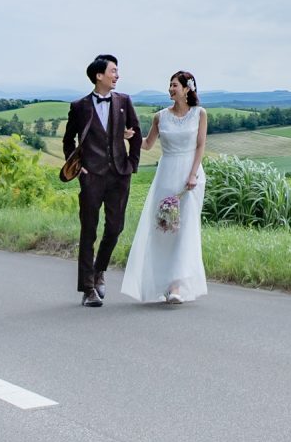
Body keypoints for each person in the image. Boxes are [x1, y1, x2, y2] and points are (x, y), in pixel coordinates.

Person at [60, 54, 141, 308]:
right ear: (99, 75)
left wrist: (132, 164)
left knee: (115, 228)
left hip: (119, 175)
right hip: (91, 177)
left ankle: (99, 270)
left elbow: (136, 134)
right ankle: (88, 289)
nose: (117, 75)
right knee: (88, 231)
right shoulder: (79, 106)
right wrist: (78, 166)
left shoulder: (124, 101)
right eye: (113, 71)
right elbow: (68, 141)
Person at [121, 69, 207, 305]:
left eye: (175, 85)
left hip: (190, 177)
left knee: (185, 229)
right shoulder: (160, 117)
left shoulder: (200, 114)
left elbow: (200, 146)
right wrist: (131, 137)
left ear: (187, 89)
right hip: (166, 175)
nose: (170, 89)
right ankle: (162, 282)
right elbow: (148, 144)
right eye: (169, 85)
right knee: (164, 229)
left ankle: (176, 285)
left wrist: (192, 175)